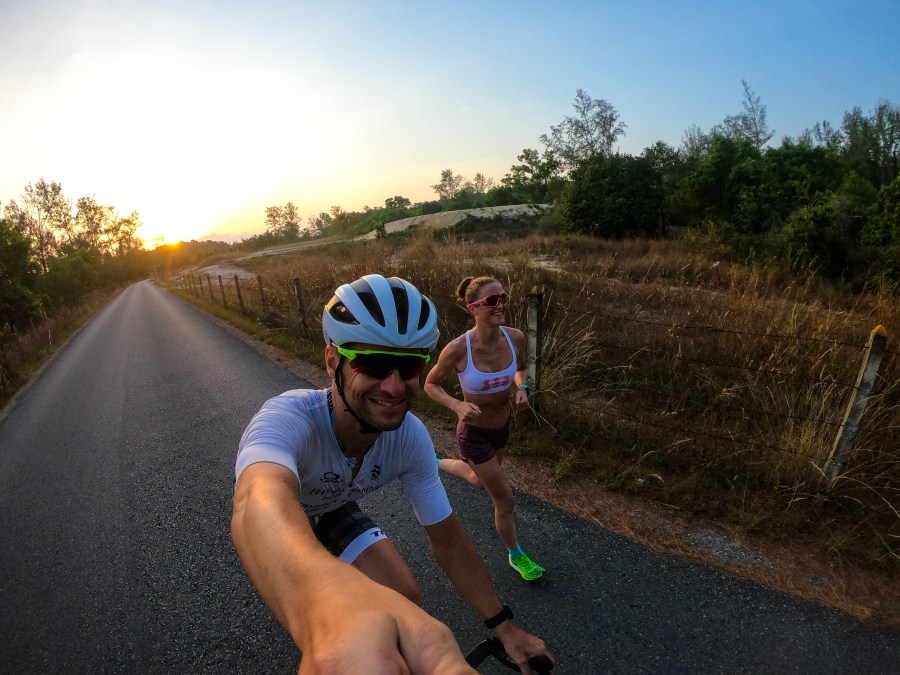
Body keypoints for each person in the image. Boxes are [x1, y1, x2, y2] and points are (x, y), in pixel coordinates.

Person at [231, 274, 553, 674]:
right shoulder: (288, 419)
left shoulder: (409, 437)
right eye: (374, 363)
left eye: (409, 365)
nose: (395, 386)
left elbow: (449, 540)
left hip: (331, 506)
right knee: (342, 615)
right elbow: (255, 501)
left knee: (403, 596)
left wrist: (504, 628)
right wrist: (325, 603)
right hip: (285, 511)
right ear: (332, 361)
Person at [424, 276, 545, 582]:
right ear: (473, 308)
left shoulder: (515, 337)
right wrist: (457, 405)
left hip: (501, 428)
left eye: (503, 297)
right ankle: (516, 555)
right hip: (474, 433)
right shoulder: (457, 349)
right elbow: (430, 384)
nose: (500, 304)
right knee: (505, 501)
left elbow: (520, 368)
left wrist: (522, 387)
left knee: (478, 480)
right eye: (492, 301)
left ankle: (435, 462)